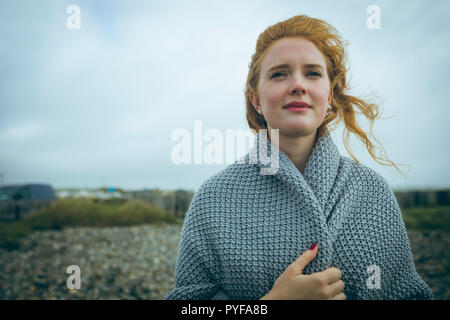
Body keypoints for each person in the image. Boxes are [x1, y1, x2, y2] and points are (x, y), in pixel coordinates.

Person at [165, 14, 433, 300]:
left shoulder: (372, 191)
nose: (298, 85)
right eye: (279, 73)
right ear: (255, 98)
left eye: (312, 73)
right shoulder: (213, 199)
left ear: (329, 96)